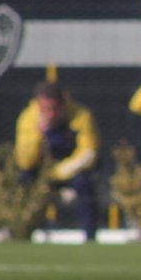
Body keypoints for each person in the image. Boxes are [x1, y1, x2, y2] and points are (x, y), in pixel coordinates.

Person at [14, 80, 100, 241]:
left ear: (64, 104)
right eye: (45, 109)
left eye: (55, 109)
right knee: (23, 182)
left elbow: (88, 155)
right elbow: (25, 162)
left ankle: (90, 237)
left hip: (68, 171)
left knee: (85, 184)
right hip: (38, 171)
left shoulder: (81, 116)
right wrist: (38, 135)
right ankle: (22, 233)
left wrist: (57, 172)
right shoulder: (28, 119)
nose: (50, 114)